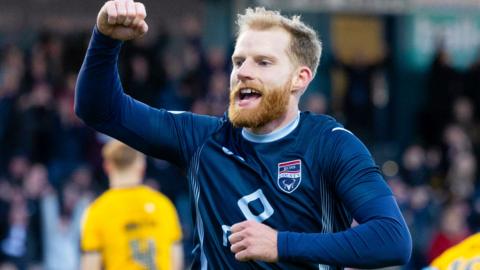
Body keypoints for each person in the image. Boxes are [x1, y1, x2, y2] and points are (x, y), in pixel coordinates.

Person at [75, 1, 412, 268]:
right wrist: (105, 41)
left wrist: (280, 244)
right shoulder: (201, 140)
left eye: (263, 63)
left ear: (300, 78)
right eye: (239, 62)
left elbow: (393, 239)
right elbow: (99, 109)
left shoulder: (331, 144)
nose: (244, 72)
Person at [80, 140, 183, 270]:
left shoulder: (96, 211)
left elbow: (90, 265)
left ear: (107, 166)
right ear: (141, 166)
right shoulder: (163, 205)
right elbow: (176, 260)